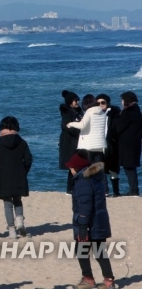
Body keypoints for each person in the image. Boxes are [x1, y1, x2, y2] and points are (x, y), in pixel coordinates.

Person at [65, 151, 116, 289]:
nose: (70, 170)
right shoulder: (95, 178)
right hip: (99, 221)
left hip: (89, 223)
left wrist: (82, 226)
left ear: (77, 168)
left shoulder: (83, 182)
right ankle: (109, 280)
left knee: (81, 250)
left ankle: (88, 279)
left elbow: (85, 205)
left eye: (71, 167)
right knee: (100, 251)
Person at [0, 116, 33, 239]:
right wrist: (23, 171)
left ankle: (12, 230)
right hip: (19, 176)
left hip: (3, 177)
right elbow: (28, 159)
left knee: (7, 203)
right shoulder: (21, 142)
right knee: (18, 200)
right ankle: (20, 221)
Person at [67, 94, 107, 165]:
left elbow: (82, 125)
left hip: (89, 145)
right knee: (99, 167)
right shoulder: (102, 113)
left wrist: (71, 124)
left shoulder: (89, 112)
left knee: (89, 168)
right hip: (100, 145)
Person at [115, 91, 142, 196]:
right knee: (131, 166)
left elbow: (119, 127)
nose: (121, 102)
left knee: (128, 166)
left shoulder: (128, 113)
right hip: (135, 142)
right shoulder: (137, 111)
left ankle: (133, 190)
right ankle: (134, 189)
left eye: (122, 100)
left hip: (127, 144)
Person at [60, 90, 83, 194]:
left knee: (76, 165)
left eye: (77, 100)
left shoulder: (78, 111)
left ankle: (72, 188)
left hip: (77, 141)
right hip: (69, 142)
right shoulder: (67, 112)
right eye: (74, 101)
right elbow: (65, 126)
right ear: (69, 101)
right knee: (72, 165)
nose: (77, 102)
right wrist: (78, 131)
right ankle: (70, 189)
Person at [98, 94, 121, 197]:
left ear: (107, 103)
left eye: (103, 102)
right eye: (98, 103)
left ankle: (116, 192)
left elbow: (117, 128)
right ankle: (105, 191)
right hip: (99, 143)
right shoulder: (95, 113)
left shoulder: (114, 113)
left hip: (111, 144)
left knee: (113, 169)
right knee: (101, 167)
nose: (100, 105)